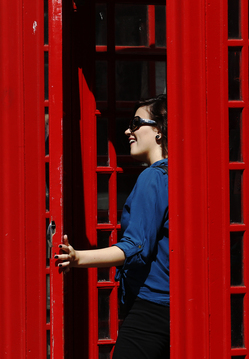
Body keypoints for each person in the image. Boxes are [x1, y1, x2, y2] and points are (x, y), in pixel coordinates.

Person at [56, 94, 170, 359]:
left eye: (136, 122)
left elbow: (135, 246)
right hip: (172, 306)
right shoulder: (173, 176)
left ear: (159, 131)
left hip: (150, 309)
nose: (128, 130)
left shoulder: (152, 177)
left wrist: (76, 258)